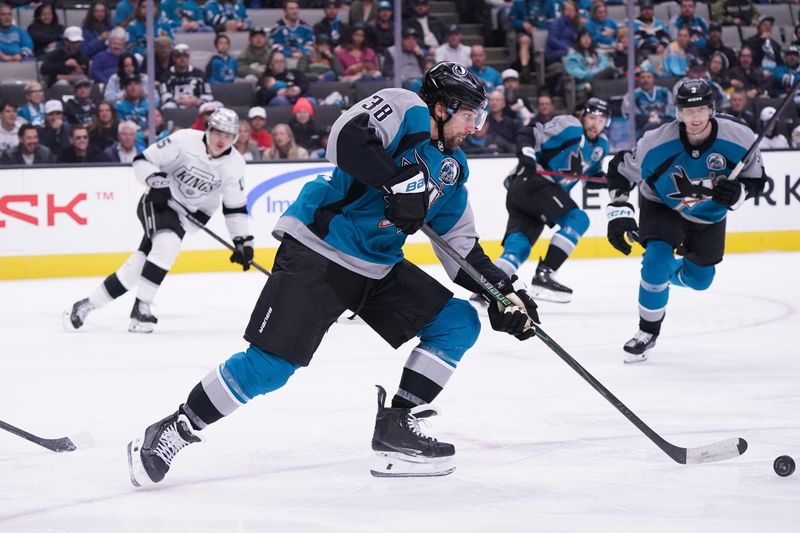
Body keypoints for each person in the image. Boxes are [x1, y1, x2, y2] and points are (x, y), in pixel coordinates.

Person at [123, 62, 539, 487]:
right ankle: (174, 428)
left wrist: (505, 293)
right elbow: (346, 136)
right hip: (319, 250)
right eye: (470, 115)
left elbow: (462, 248)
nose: (476, 126)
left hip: (378, 267)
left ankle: (397, 425)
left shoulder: (452, 170)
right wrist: (398, 182)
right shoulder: (407, 108)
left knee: (458, 322)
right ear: (441, 107)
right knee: (271, 367)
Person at [605, 79, 766, 363]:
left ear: (711, 109)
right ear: (678, 112)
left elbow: (757, 181)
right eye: (688, 111)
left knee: (700, 280)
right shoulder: (656, 142)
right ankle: (647, 331)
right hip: (662, 204)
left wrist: (740, 192)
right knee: (656, 259)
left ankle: (667, 276)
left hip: (709, 214)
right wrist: (618, 211)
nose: (695, 118)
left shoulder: (740, 138)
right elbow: (619, 169)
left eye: (701, 110)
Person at [64, 108, 253, 334]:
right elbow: (143, 160)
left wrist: (243, 242)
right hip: (158, 202)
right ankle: (141, 307)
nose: (222, 140)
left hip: (185, 216)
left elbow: (235, 207)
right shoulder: (184, 140)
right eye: (218, 133)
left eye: (228, 135)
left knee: (138, 266)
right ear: (209, 129)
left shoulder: (235, 164)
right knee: (167, 244)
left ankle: (86, 305)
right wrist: (156, 181)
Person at [485, 98, 610, 304]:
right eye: (591, 117)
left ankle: (489, 287)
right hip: (532, 183)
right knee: (578, 219)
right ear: (582, 116)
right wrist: (527, 155)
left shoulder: (601, 147)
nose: (595, 123)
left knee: (519, 247)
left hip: (530, 195)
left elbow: (592, 177)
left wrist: (611, 182)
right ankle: (545, 274)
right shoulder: (571, 126)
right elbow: (530, 132)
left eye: (601, 119)